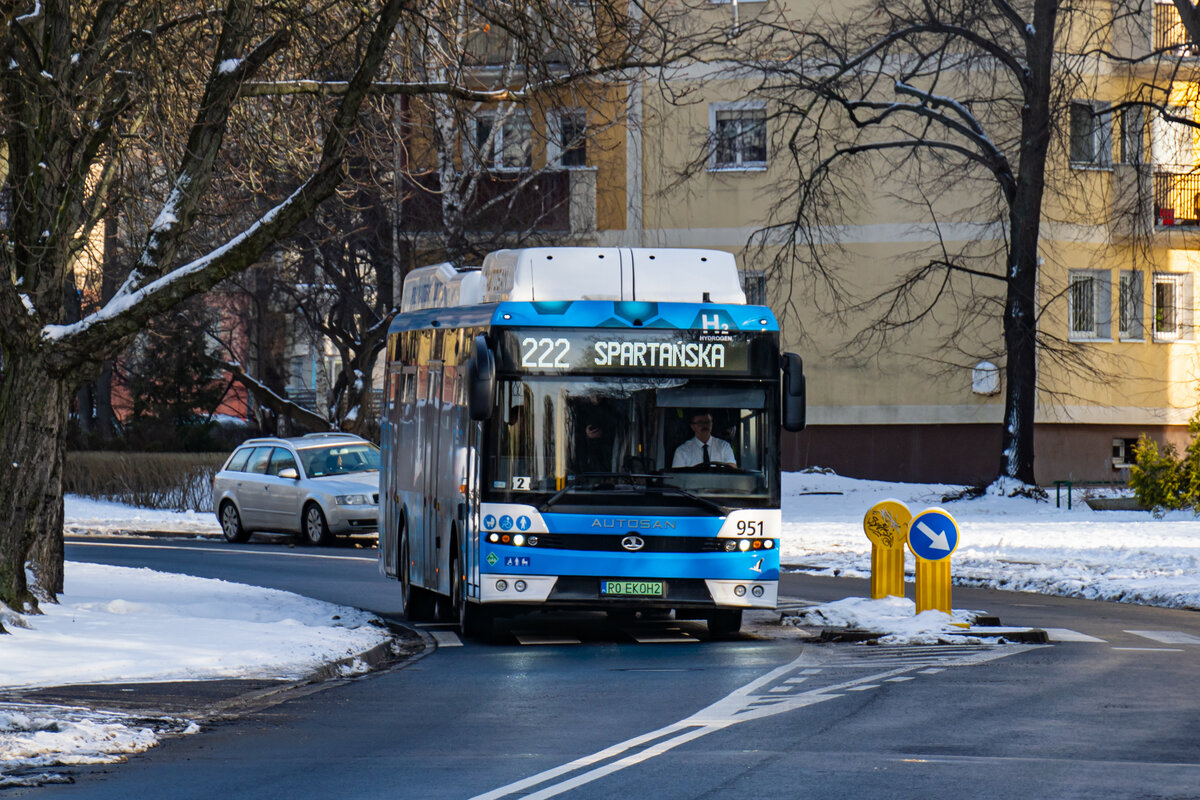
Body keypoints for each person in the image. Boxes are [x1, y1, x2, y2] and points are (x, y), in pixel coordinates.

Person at [672, 411, 736, 468]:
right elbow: (678, 478)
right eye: (700, 423)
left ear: (712, 424)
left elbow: (732, 473)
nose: (704, 426)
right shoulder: (682, 451)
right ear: (692, 426)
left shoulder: (724, 447)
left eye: (707, 422)